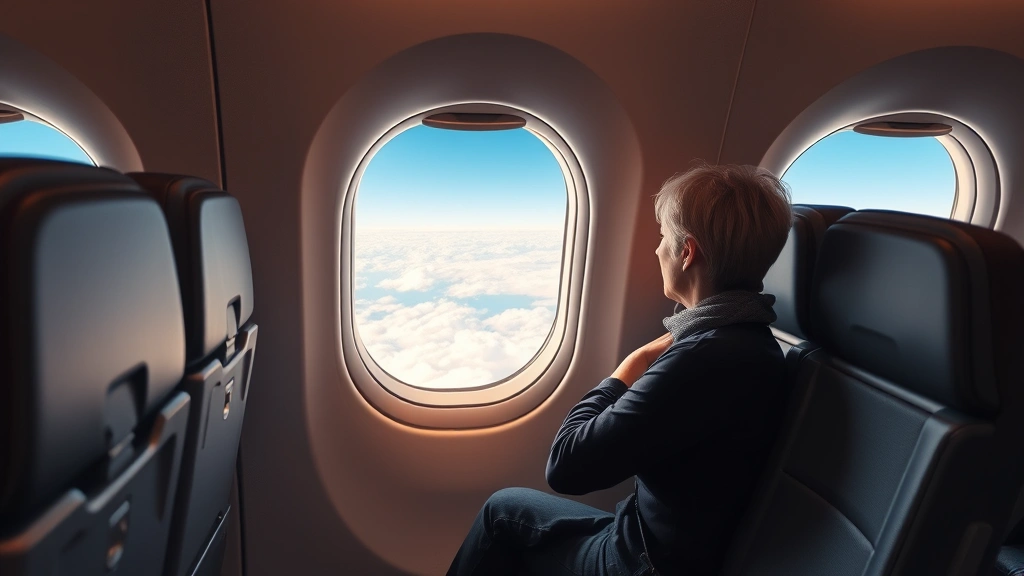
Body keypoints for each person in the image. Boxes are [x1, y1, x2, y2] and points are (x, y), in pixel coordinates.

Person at [447, 162, 794, 576]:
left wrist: (630, 366)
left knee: (501, 515)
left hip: (644, 562)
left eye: (663, 237)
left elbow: (566, 465)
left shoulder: (706, 361)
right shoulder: (748, 341)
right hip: (655, 540)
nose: (656, 250)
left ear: (688, 252)